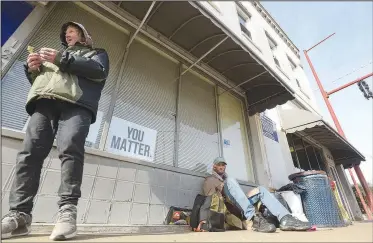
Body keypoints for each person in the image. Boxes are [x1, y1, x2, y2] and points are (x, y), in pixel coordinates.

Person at [1, 22, 109, 241]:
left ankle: (67, 211)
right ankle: (19, 213)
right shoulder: (56, 56)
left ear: (83, 36)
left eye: (72, 32)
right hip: (45, 103)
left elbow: (99, 72)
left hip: (77, 104)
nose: (67, 35)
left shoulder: (96, 53)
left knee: (70, 148)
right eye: (65, 33)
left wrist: (61, 58)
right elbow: (43, 80)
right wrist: (32, 69)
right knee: (29, 153)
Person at [200, 157, 311, 233]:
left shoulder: (228, 180)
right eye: (219, 164)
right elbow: (210, 201)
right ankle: (254, 218)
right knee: (230, 180)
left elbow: (238, 195)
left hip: (240, 204)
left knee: (261, 189)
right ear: (214, 166)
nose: (222, 167)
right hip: (229, 208)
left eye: (223, 165)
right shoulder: (210, 180)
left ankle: (285, 218)